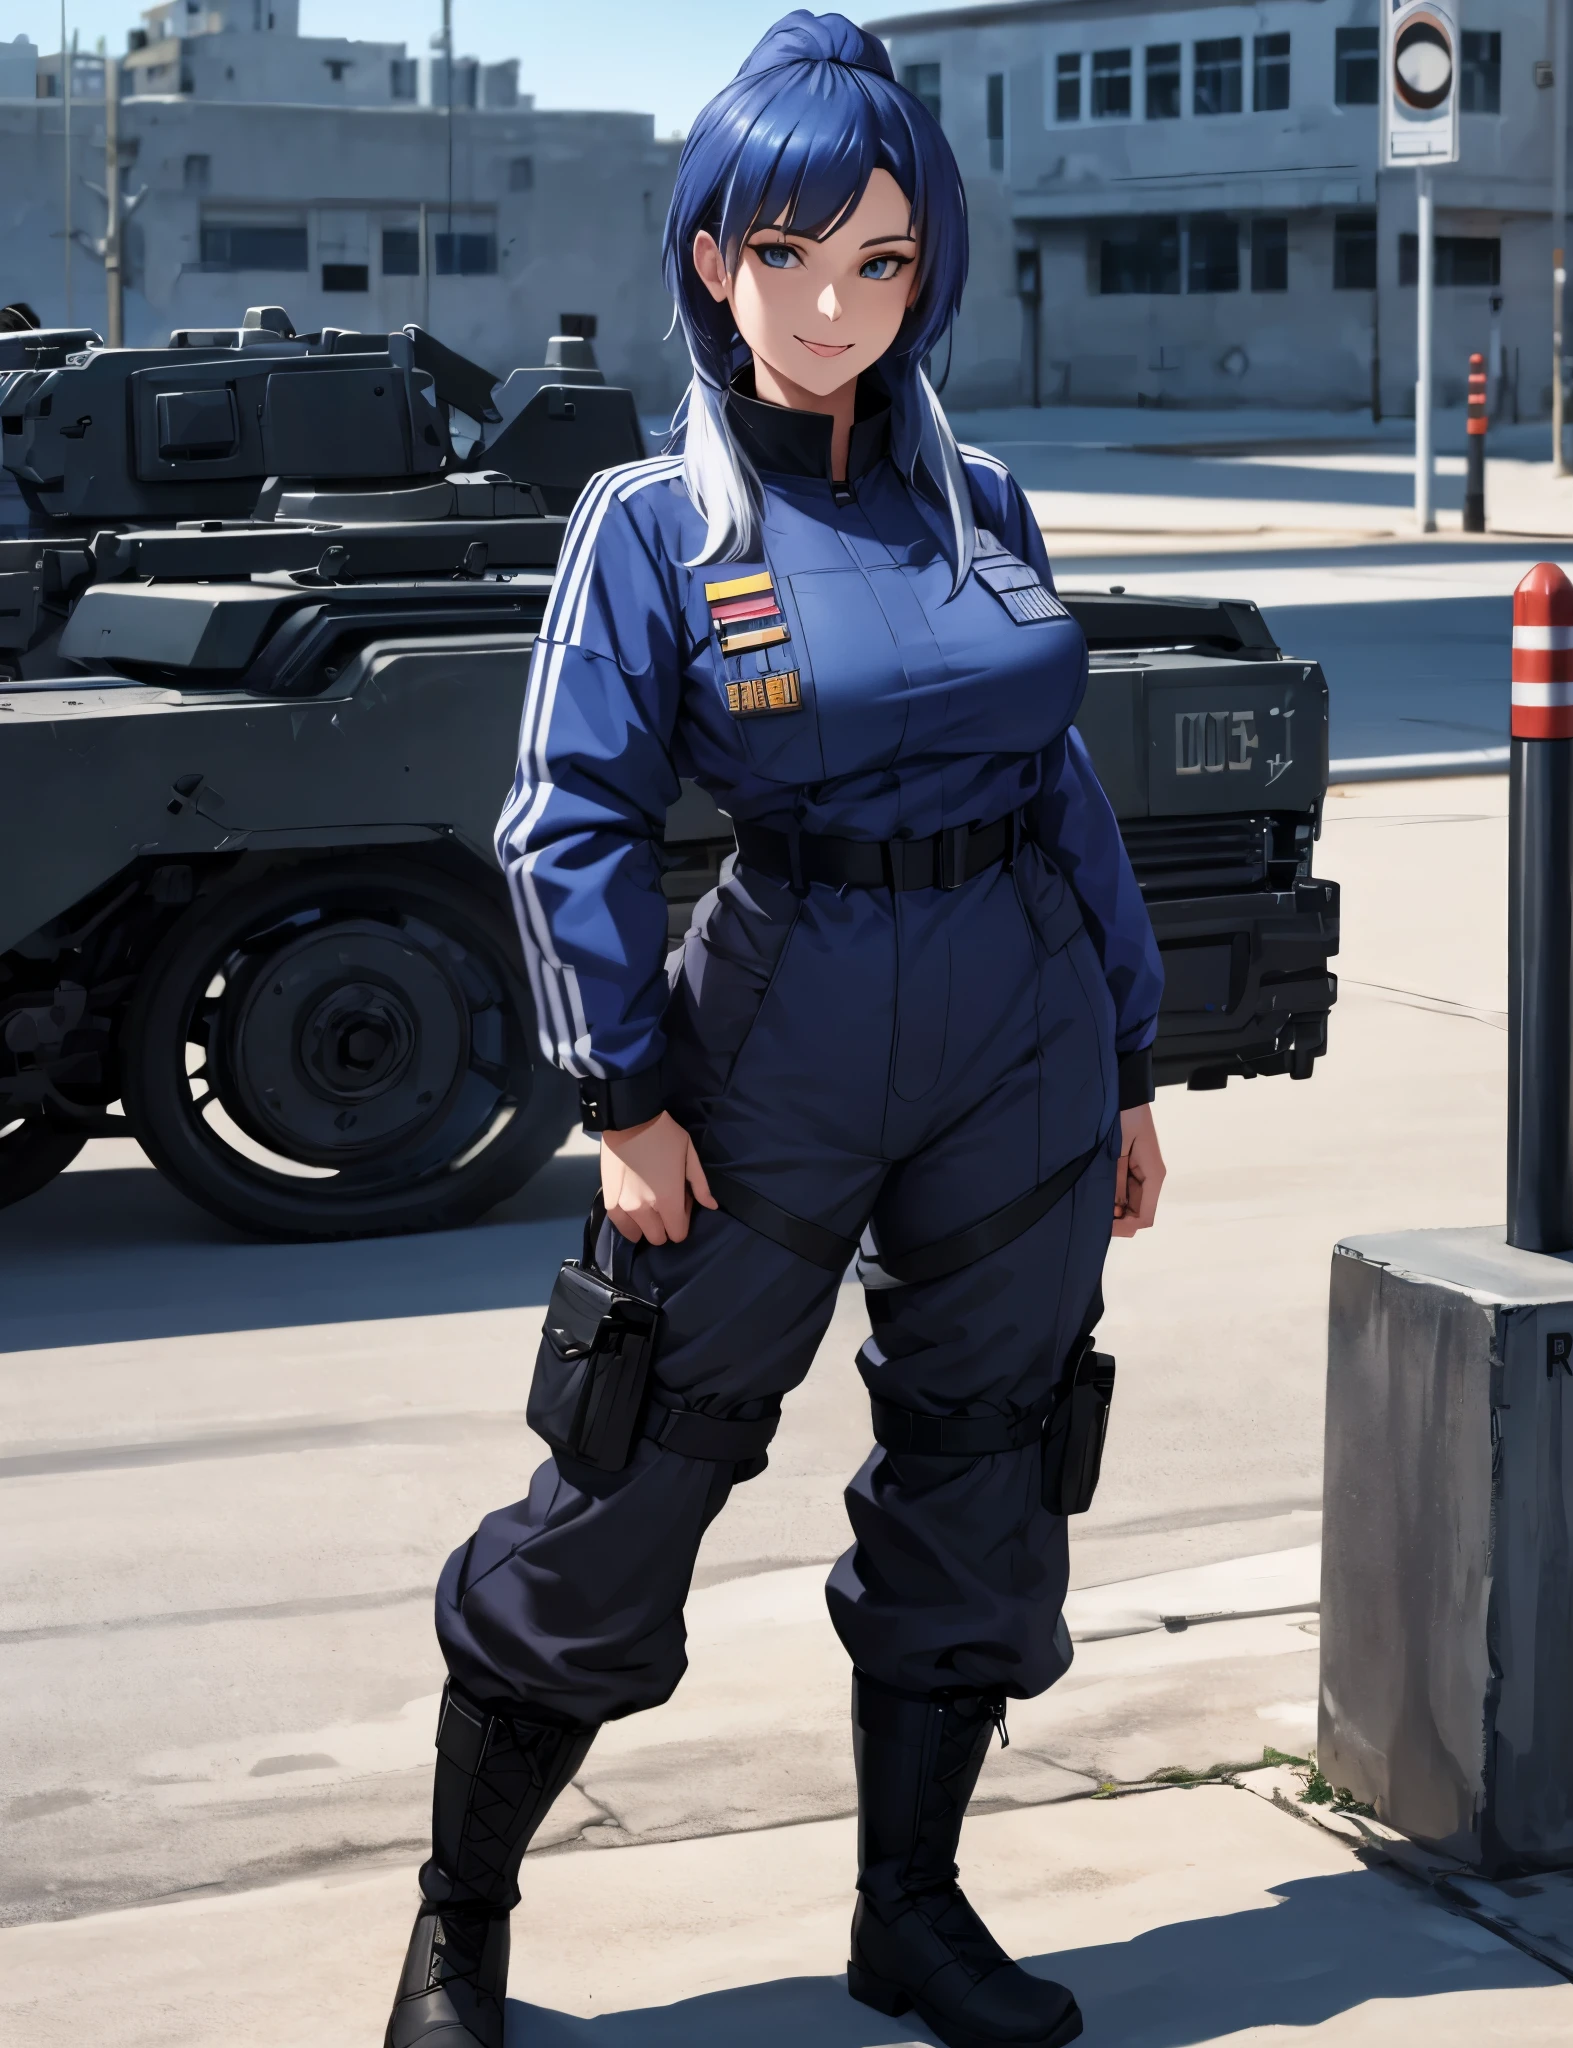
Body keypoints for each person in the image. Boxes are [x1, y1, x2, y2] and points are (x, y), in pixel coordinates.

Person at [382, 16, 1166, 2048]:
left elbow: (1058, 783)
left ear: (932, 270)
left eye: (877, 261)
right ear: (710, 260)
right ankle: (457, 1931)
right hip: (778, 1023)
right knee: (634, 1459)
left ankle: (909, 1908)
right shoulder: (655, 522)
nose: (828, 307)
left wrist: (1131, 1057)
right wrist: (621, 1095)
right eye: (781, 257)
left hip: (1022, 1037)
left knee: (987, 1460)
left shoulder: (975, 496)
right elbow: (567, 812)